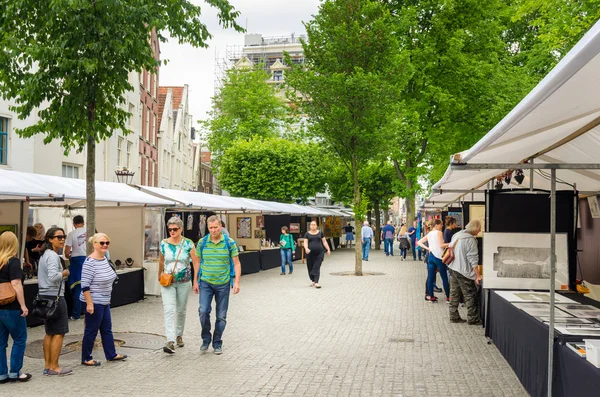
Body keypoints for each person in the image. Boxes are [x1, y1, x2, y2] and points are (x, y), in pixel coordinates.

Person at [194, 215, 241, 355]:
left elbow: (236, 263)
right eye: (210, 228)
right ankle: (206, 338)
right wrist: (195, 281)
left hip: (223, 283)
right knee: (203, 311)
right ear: (207, 228)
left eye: (215, 227)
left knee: (221, 316)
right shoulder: (202, 243)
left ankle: (217, 342)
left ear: (220, 226)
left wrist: (237, 282)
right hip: (206, 282)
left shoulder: (229, 242)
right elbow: (197, 262)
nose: (213, 230)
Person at [80, 233, 127, 366]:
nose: (105, 245)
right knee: (91, 330)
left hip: (105, 300)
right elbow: (85, 285)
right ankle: (86, 358)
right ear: (94, 244)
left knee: (107, 329)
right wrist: (89, 303)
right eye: (102, 243)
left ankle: (111, 354)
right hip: (94, 301)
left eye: (107, 243)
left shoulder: (105, 258)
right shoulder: (90, 263)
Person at [159, 217, 197, 354]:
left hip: (184, 282)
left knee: (181, 310)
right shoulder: (163, 243)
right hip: (168, 282)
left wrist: (196, 280)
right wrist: (159, 275)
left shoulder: (188, 244)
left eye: (175, 229)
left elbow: (196, 262)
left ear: (181, 229)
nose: (172, 231)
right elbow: (161, 260)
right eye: (170, 229)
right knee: (168, 310)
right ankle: (170, 340)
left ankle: (179, 335)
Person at [37, 227, 72, 376]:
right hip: (55, 297)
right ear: (50, 239)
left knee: (50, 332)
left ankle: (48, 366)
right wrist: (64, 273)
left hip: (44, 297)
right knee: (59, 332)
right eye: (59, 237)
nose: (62, 239)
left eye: (63, 236)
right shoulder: (52, 256)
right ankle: (55, 367)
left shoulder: (45, 254)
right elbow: (53, 277)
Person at [0, 231, 31, 383]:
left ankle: (1, 374)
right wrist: (23, 305)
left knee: (0, 343)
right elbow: (16, 284)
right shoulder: (13, 261)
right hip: (11, 306)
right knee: (19, 339)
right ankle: (15, 372)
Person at [448, 220, 483, 324]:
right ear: (475, 228)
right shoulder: (471, 240)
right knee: (470, 294)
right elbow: (473, 259)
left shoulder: (457, 235)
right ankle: (472, 318)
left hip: (453, 267)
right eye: (479, 228)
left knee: (454, 293)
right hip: (463, 270)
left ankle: (453, 316)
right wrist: (477, 275)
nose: (480, 230)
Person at [417, 219, 450, 303]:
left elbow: (419, 242)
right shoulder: (439, 233)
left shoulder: (429, 234)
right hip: (439, 257)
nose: (442, 226)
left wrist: (428, 249)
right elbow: (441, 245)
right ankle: (448, 297)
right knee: (444, 277)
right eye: (441, 224)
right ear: (437, 225)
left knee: (430, 278)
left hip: (431, 257)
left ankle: (431, 297)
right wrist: (451, 243)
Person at [65, 215, 86, 320]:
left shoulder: (71, 234)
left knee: (78, 288)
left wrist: (68, 256)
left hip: (77, 262)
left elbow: (66, 252)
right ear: (84, 222)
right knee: (90, 287)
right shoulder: (91, 232)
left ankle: (76, 314)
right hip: (90, 259)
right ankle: (88, 311)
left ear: (73, 224)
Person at [303, 221, 331, 288]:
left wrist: (328, 249)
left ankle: (316, 282)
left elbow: (324, 241)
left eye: (314, 225)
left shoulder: (320, 233)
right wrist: (306, 248)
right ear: (310, 226)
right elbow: (305, 242)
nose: (313, 226)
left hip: (320, 252)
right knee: (310, 266)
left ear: (316, 226)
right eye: (312, 225)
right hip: (309, 253)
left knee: (317, 266)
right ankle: (313, 280)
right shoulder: (307, 234)